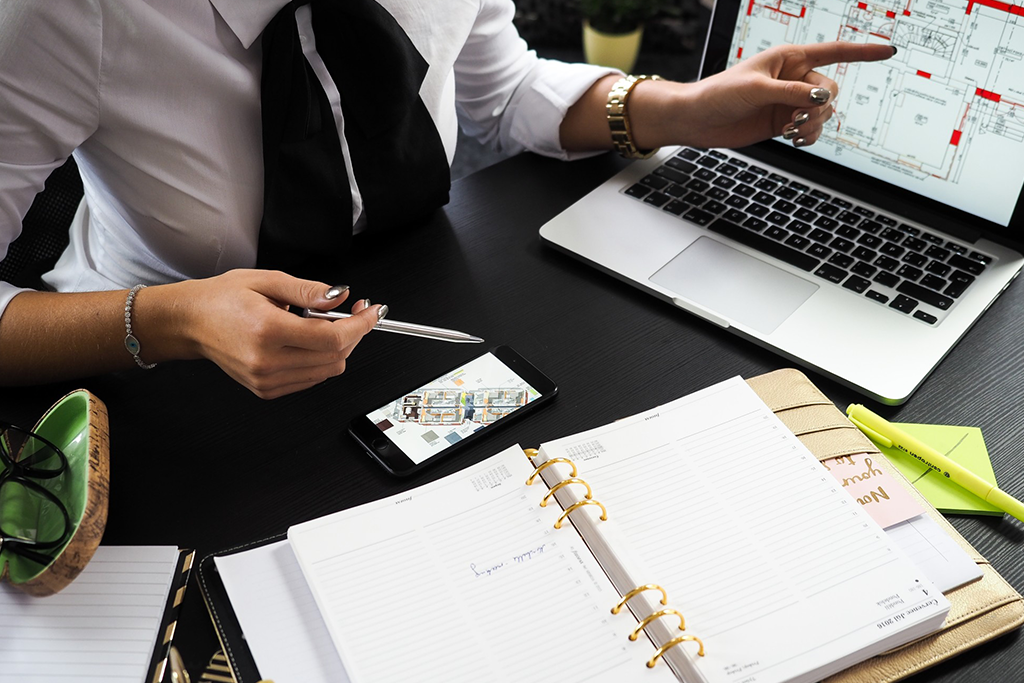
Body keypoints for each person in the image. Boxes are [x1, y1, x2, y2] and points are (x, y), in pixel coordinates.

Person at [0, 1, 895, 399]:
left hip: (413, 303)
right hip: (164, 377)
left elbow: (500, 94)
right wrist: (172, 320)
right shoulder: (63, 13)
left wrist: (681, 109)